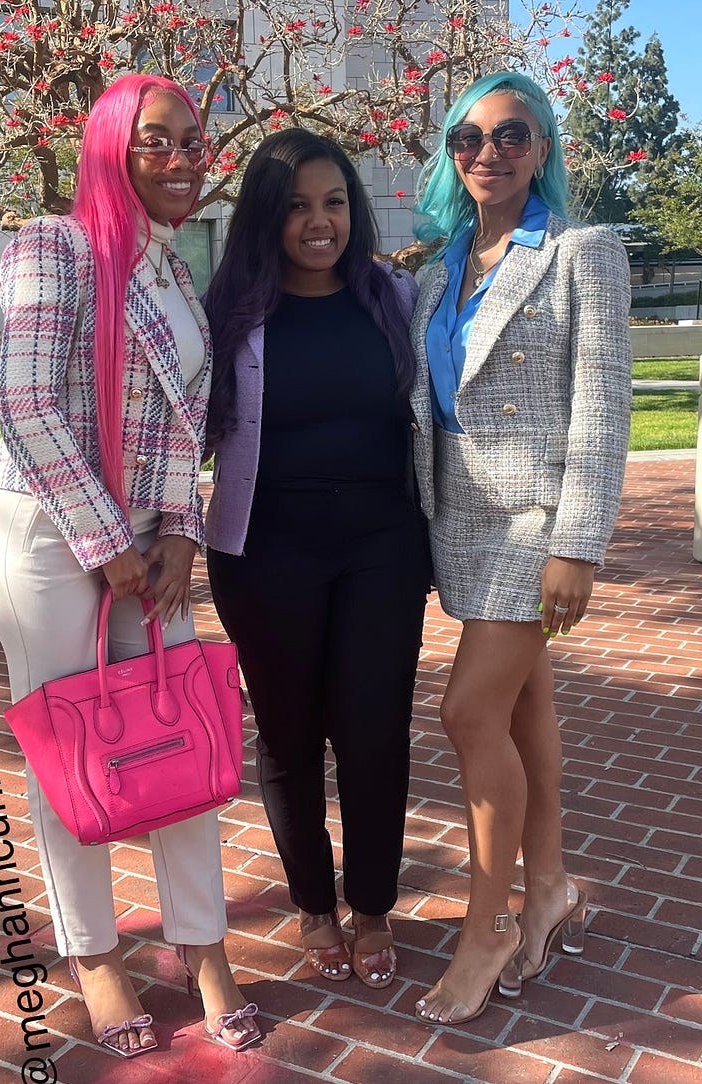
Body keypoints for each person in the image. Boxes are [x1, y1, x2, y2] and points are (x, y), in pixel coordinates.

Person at [0, 73, 260, 1057]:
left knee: (185, 735)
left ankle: (203, 946)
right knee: (72, 754)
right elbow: (25, 403)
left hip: (148, 545)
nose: (182, 160)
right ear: (109, 147)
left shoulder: (176, 272)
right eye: (156, 141)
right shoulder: (51, 247)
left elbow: (182, 425)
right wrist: (107, 545)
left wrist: (178, 529)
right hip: (49, 539)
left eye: (193, 142)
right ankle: (94, 956)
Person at [407, 71, 632, 1024]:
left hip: (536, 525)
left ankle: (486, 926)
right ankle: (549, 889)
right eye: (468, 138)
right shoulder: (437, 268)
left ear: (542, 148)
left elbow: (603, 408)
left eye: (511, 135)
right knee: (523, 706)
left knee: (467, 713)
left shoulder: (583, 252)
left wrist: (577, 545)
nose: (487, 153)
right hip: (460, 520)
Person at [203, 130, 429, 989]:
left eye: (334, 202)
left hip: (382, 546)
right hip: (266, 550)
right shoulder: (231, 314)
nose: (318, 221)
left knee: (373, 732)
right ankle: (313, 905)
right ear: (266, 217)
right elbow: (176, 423)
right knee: (290, 736)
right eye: (296, 206)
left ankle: (371, 904)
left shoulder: (394, 297)